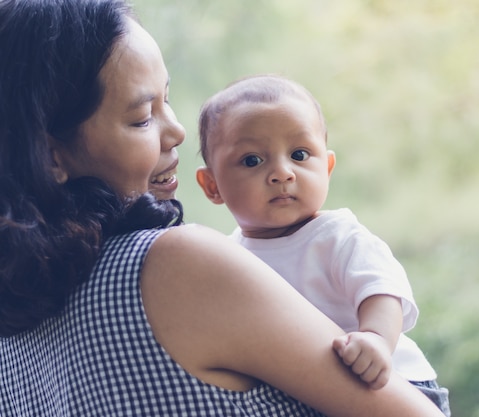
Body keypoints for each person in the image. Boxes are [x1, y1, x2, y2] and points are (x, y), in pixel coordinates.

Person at [0, 1, 448, 416]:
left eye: (167, 100)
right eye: (141, 118)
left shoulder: (14, 325)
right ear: (50, 155)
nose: (176, 132)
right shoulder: (175, 266)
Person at [195, 74, 451, 416]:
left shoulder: (337, 236)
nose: (282, 173)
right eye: (253, 160)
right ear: (212, 185)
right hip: (313, 394)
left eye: (300, 154)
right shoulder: (229, 257)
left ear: (327, 167)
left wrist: (375, 338)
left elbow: (382, 291)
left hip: (393, 382)